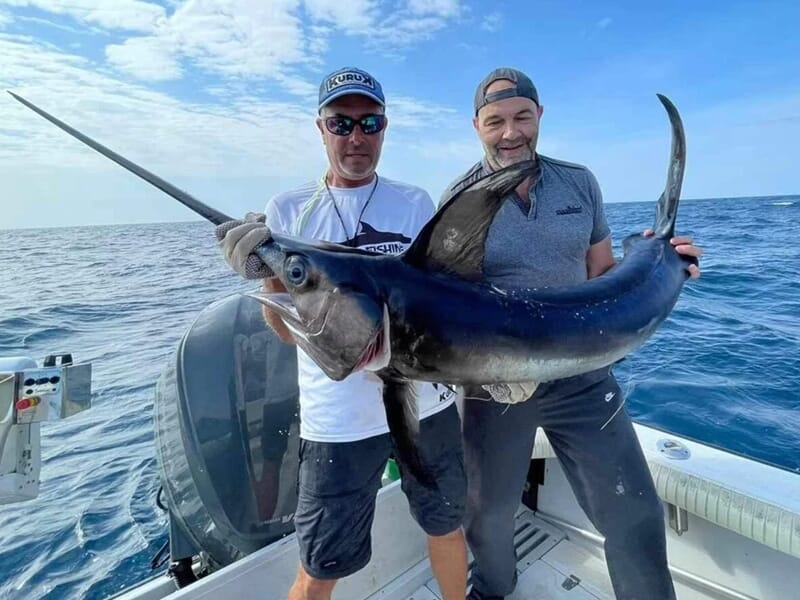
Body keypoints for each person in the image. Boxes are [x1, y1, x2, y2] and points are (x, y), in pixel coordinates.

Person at [442, 68, 704, 600]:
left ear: (540, 115)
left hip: (583, 376)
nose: (510, 133)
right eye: (495, 122)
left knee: (635, 512)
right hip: (496, 387)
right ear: (476, 126)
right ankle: (492, 590)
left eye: (522, 117)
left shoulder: (579, 182)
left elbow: (601, 275)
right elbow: (450, 303)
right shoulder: (457, 200)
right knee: (487, 515)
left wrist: (659, 265)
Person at [215, 67, 468, 600]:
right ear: (321, 128)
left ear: (384, 128)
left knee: (447, 526)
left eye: (369, 123)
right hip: (339, 421)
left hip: (428, 405)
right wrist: (270, 273)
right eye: (341, 123)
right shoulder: (286, 212)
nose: (356, 136)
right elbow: (286, 332)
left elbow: (442, 304)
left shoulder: (416, 203)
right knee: (319, 566)